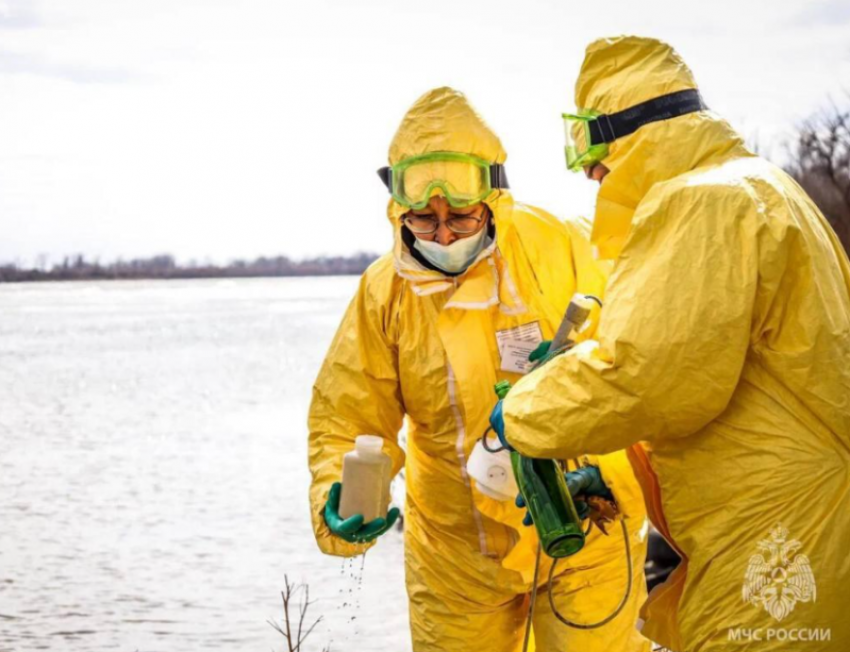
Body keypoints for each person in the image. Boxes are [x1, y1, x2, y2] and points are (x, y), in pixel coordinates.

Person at [492, 36, 850, 651]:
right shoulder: (761, 187)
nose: (590, 173)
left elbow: (644, 378)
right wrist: (618, 483)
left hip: (774, 529)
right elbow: (734, 387)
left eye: (592, 148)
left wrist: (522, 413)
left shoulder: (702, 202)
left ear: (631, 135)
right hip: (801, 513)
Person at [308, 86, 650, 652]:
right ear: (400, 209)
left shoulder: (562, 246)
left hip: (587, 525)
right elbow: (349, 412)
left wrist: (609, 475)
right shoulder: (383, 293)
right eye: (424, 218)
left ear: (493, 199)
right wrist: (337, 490)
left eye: (460, 217)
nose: (442, 235)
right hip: (454, 559)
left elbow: (640, 361)